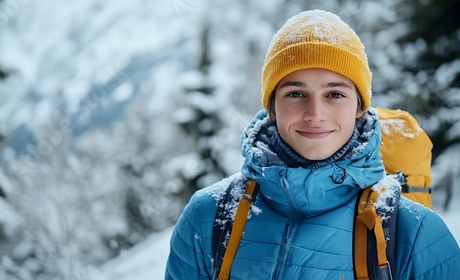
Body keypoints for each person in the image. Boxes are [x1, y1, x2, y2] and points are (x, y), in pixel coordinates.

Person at [165, 9, 460, 279]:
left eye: (335, 94)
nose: (315, 114)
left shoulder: (417, 235)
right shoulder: (208, 219)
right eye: (295, 94)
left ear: (359, 107)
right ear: (272, 107)